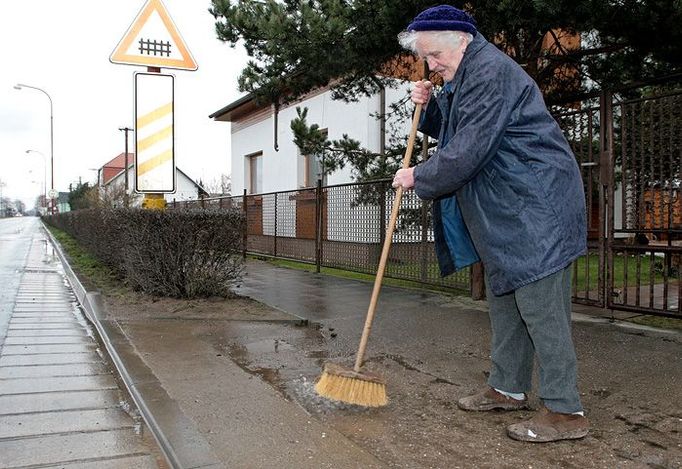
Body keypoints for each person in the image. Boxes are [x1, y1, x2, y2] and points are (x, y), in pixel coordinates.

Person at [393, 5, 590, 443]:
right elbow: (457, 130)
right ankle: (508, 388)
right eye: (427, 57)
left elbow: (469, 149)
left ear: (460, 40)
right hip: (507, 211)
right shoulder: (466, 74)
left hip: (536, 208)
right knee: (506, 303)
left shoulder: (491, 73)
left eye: (435, 55)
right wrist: (428, 111)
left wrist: (418, 175)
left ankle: (565, 411)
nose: (432, 65)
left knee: (542, 310)